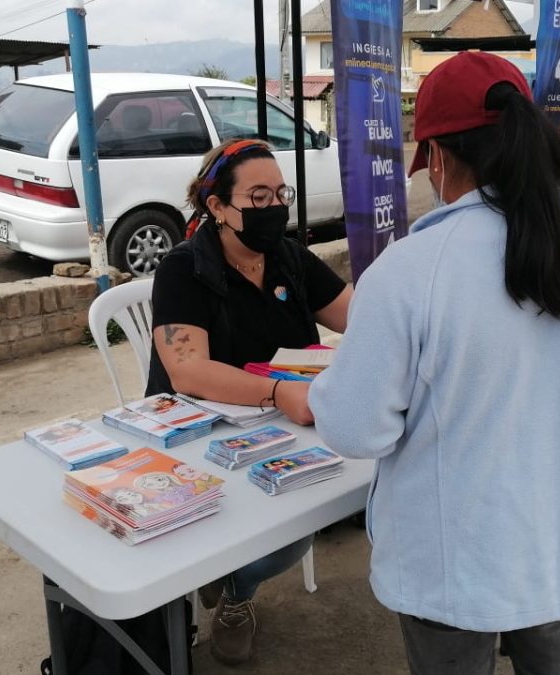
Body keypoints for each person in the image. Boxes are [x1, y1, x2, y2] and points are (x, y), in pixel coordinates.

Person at [308, 52, 560, 675]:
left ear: (440, 158)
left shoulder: (410, 269)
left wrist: (318, 392)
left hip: (450, 568)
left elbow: (355, 428)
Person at [146, 138, 352, 665]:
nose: (274, 208)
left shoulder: (288, 257)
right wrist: (279, 393)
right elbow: (187, 370)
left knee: (296, 528)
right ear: (216, 206)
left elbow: (359, 314)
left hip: (280, 426)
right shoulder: (183, 268)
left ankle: (232, 589)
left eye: (280, 194)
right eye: (257, 198)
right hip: (198, 433)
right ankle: (223, 578)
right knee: (272, 526)